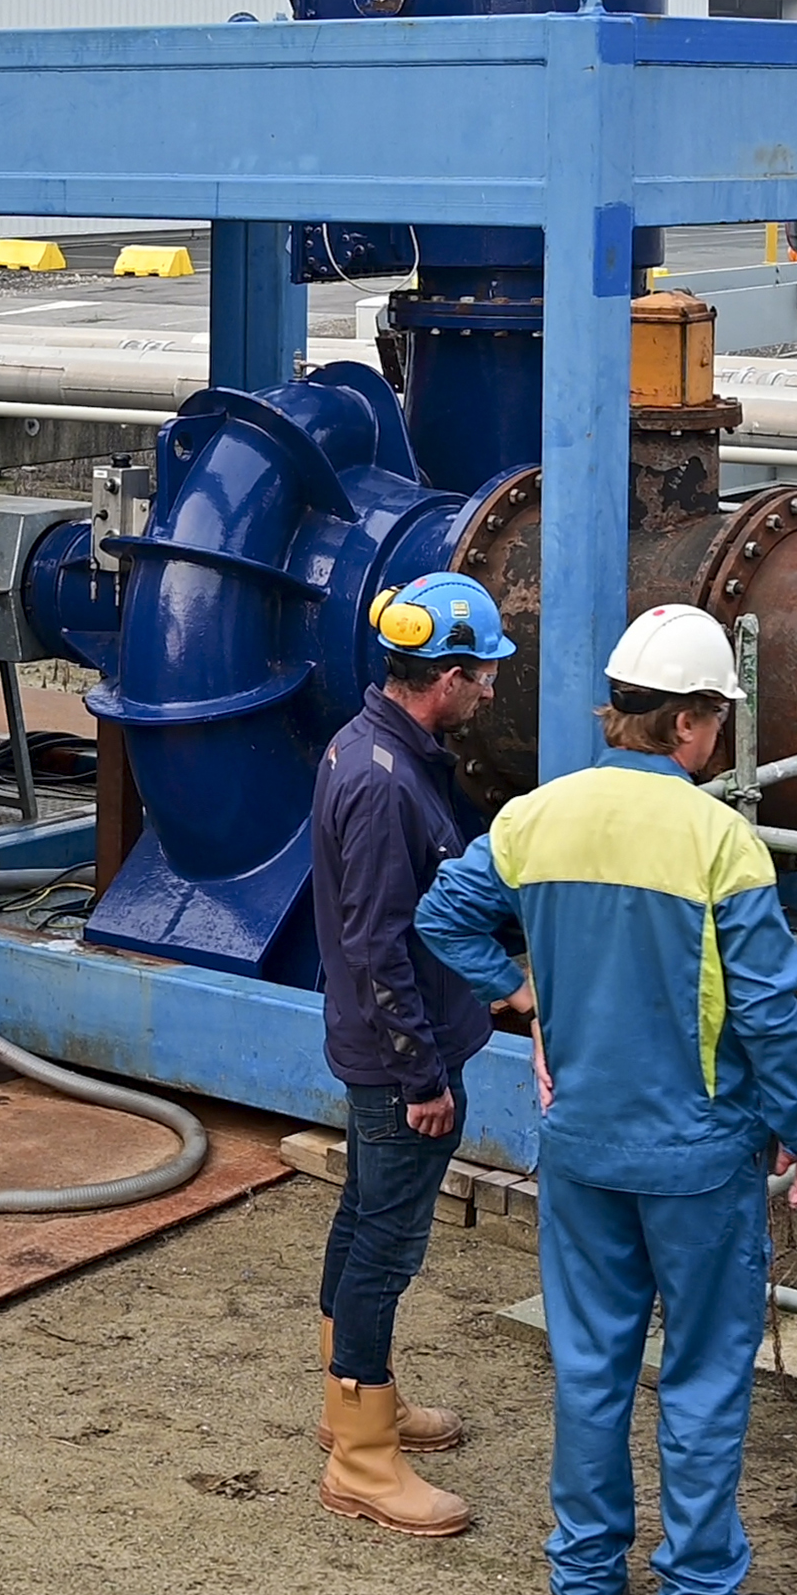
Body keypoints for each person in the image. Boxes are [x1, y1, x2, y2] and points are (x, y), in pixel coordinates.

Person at [417, 604, 797, 1595]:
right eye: (718, 721)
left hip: (583, 1148)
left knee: (591, 1370)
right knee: (700, 1378)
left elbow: (442, 915)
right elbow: (769, 1008)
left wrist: (518, 997)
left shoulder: (535, 817)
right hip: (697, 1159)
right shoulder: (719, 839)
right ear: (690, 722)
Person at [310, 570, 512, 1539]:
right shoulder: (385, 785)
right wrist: (423, 1077)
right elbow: (379, 944)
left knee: (361, 1218)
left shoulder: (374, 748)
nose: (493, 691)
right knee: (386, 1246)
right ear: (448, 676)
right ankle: (362, 1460)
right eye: (485, 675)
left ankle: (358, 1404)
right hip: (402, 1060)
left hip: (383, 1045)